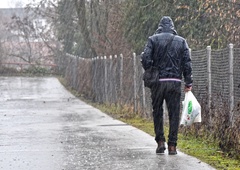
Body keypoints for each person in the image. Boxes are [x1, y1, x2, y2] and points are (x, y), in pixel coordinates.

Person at [141, 16, 193, 155]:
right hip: (175, 82)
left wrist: (151, 68)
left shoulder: (153, 39)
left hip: (158, 82)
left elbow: (145, 59)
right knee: (174, 113)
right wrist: (188, 82)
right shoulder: (181, 42)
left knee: (157, 111)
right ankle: (172, 146)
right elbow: (187, 63)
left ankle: (160, 142)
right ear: (172, 27)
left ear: (159, 27)